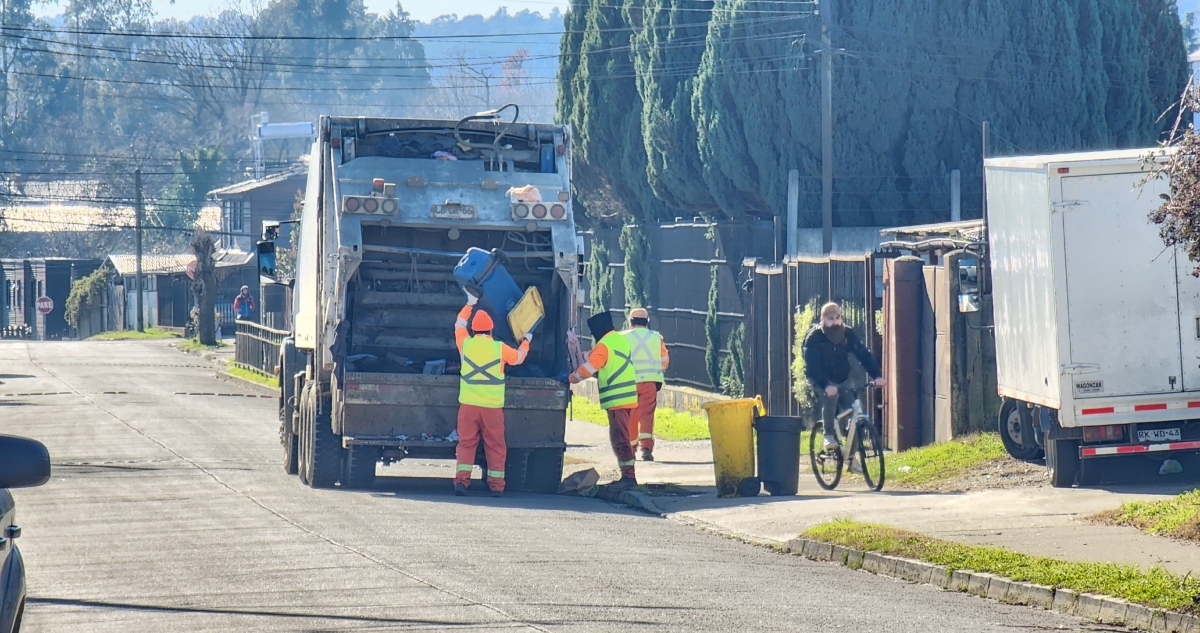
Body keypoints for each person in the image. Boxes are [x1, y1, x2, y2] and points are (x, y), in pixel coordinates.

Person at [453, 290, 532, 498]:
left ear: (474, 330)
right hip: (492, 408)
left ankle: (461, 482)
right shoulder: (499, 348)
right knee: (495, 445)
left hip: (468, 406)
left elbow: (459, 324)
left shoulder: (465, 344)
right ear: (491, 330)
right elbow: (518, 359)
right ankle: (496, 486)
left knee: (466, 444)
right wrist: (526, 341)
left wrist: (470, 304)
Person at [802, 302, 885, 468]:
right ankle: (829, 436)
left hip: (843, 378)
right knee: (830, 398)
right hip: (820, 378)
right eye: (830, 318)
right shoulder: (814, 338)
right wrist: (825, 385)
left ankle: (850, 457)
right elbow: (813, 366)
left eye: (838, 317)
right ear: (822, 319)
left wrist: (876, 375)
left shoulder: (847, 334)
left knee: (856, 412)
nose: (835, 321)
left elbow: (863, 354)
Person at [569, 311, 639, 492]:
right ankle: (628, 475)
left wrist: (569, 378)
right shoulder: (617, 340)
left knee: (620, 439)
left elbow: (588, 370)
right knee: (624, 437)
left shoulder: (604, 345)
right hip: (628, 398)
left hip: (617, 400)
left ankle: (629, 477)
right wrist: (581, 354)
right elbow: (595, 355)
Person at [624, 307, 669, 462]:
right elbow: (664, 361)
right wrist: (657, 372)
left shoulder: (621, 337)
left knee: (630, 416)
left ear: (630, 322)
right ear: (647, 322)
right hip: (650, 382)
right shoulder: (656, 337)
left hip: (628, 382)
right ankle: (646, 449)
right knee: (647, 416)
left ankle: (630, 449)